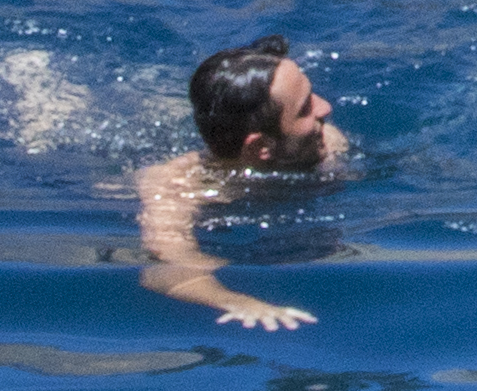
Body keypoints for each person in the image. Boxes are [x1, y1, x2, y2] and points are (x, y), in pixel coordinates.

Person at [131, 35, 345, 328]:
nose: (326, 108)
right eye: (305, 108)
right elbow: (166, 270)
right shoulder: (175, 185)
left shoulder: (327, 143)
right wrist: (239, 302)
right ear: (261, 149)